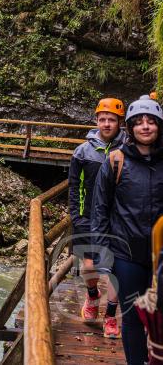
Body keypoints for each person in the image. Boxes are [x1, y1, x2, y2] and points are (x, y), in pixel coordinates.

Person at [92, 95, 163, 364]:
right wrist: (102, 253)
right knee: (132, 317)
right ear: (130, 128)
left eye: (151, 122)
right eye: (139, 122)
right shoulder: (116, 161)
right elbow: (100, 208)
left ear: (159, 126)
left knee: (159, 315)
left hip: (160, 257)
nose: (145, 127)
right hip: (126, 255)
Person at [68, 97, 126, 339]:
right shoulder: (83, 151)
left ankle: (111, 315)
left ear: (120, 122)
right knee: (89, 265)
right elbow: (74, 186)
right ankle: (93, 297)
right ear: (96, 121)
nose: (106, 123)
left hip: (118, 218)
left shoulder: (128, 149)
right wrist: (76, 215)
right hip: (88, 217)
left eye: (111, 119)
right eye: (102, 119)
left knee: (117, 269)